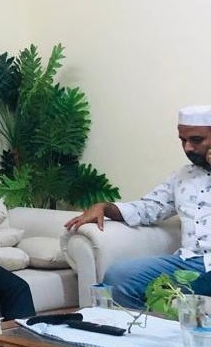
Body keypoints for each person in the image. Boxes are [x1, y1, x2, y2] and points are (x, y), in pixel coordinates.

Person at [65, 105, 211, 308]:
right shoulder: (182, 176)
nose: (187, 148)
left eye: (196, 140)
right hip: (188, 262)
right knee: (119, 276)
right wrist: (105, 207)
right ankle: (149, 327)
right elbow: (150, 207)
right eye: (183, 140)